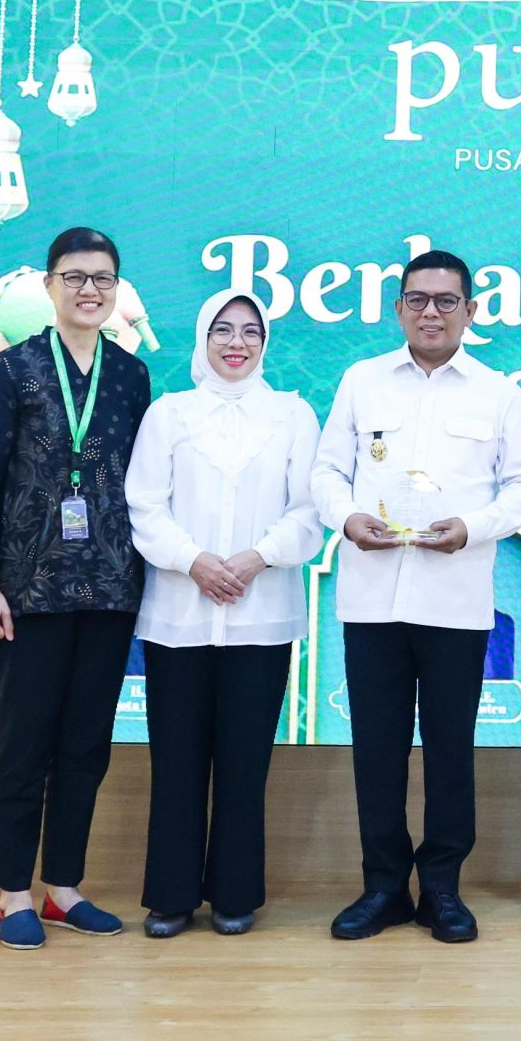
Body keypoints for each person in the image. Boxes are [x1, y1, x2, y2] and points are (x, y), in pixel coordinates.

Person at [314, 249, 521, 944]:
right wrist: (348, 518)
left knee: (450, 750)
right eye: (417, 299)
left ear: (470, 311)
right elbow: (327, 472)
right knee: (377, 749)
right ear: (398, 309)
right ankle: (383, 886)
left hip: (456, 599)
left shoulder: (497, 392)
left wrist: (474, 527)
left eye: (447, 301)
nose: (431, 312)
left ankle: (442, 887)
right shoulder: (361, 381)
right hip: (372, 598)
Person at [0, 226, 155, 949]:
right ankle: (13, 892)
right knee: (23, 743)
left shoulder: (130, 376)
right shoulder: (12, 370)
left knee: (85, 745)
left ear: (117, 289)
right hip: (27, 590)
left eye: (102, 278)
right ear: (49, 286)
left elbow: (143, 483)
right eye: (74, 277)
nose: (89, 290)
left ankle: (63, 888)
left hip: (109, 588)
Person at [124, 289, 321, 940]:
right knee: (176, 759)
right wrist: (195, 561)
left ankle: (236, 892)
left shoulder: (293, 414)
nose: (237, 343)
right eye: (223, 330)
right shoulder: (168, 413)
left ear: (265, 342)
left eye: (250, 332)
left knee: (245, 761)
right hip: (178, 614)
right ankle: (171, 895)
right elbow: (144, 505)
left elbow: (309, 511)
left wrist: (258, 557)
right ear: (203, 338)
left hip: (262, 615)